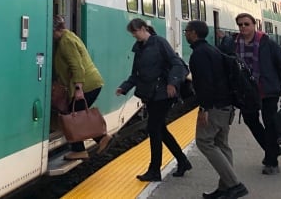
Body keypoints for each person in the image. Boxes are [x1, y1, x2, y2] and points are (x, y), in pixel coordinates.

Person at [116, 18, 191, 182]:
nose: (134, 36)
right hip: (150, 94)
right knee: (160, 130)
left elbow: (176, 63)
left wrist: (172, 83)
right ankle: (183, 161)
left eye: (135, 32)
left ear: (143, 29)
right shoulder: (139, 48)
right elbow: (135, 74)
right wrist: (124, 87)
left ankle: (154, 170)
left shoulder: (159, 43)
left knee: (154, 129)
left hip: (163, 94)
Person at [185, 20, 249, 199]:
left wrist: (204, 107)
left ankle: (235, 185)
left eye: (187, 31)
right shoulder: (213, 50)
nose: (185, 34)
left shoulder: (199, 54)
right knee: (222, 145)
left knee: (204, 141)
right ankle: (225, 187)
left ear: (194, 33)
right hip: (226, 106)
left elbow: (206, 83)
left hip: (214, 107)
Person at [233, 12, 281, 175]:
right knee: (251, 121)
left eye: (246, 24)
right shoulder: (234, 44)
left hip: (267, 90)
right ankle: (272, 149)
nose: (243, 27)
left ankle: (272, 162)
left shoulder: (267, 44)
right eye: (240, 24)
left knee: (270, 124)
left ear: (254, 25)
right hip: (247, 92)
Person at [52, 15, 112, 160]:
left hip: (87, 85)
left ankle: (81, 149)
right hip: (90, 83)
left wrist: (78, 89)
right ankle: (101, 139)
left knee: (73, 117)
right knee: (76, 115)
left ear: (55, 30)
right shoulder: (69, 36)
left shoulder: (65, 42)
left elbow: (77, 66)